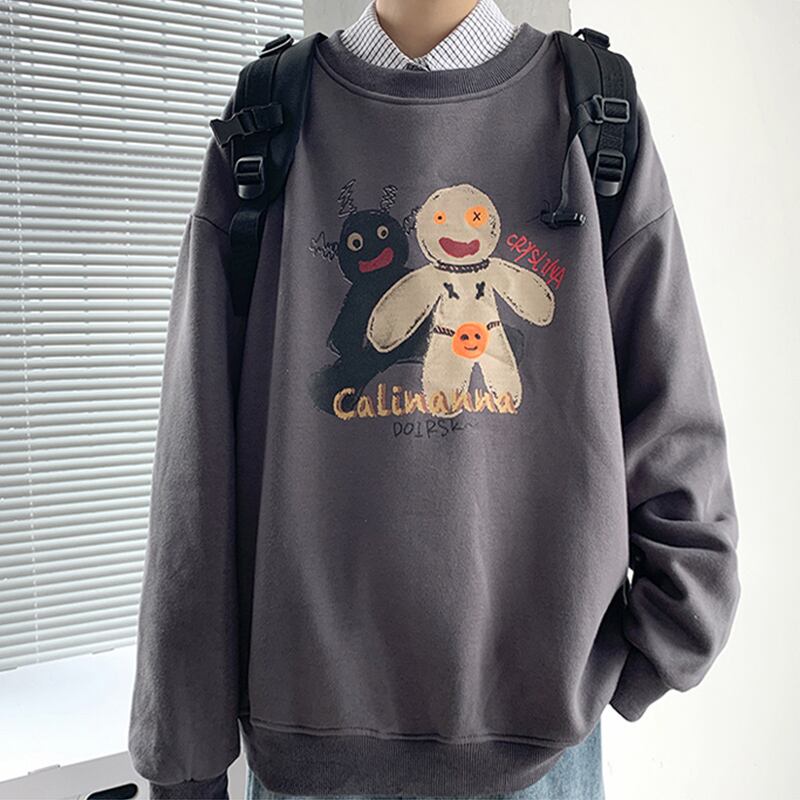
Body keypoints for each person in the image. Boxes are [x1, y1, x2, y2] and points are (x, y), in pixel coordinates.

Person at [128, 1, 742, 799]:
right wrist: (185, 756)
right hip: (312, 767)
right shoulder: (267, 120)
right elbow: (197, 467)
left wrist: (650, 653)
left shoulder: (592, 112)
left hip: (539, 760)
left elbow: (675, 425)